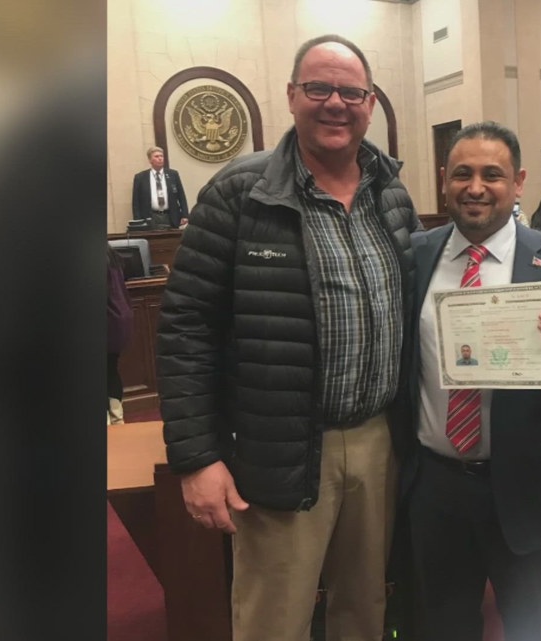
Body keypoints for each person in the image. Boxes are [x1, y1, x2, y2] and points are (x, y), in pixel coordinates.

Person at [155, 34, 419, 641]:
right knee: (275, 617)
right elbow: (186, 326)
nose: (336, 103)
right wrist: (197, 458)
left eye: (351, 91)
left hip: (380, 439)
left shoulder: (393, 193)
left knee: (365, 611)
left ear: (370, 103)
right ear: (292, 96)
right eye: (319, 88)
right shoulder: (238, 192)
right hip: (281, 446)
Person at [405, 121, 541, 641]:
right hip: (435, 490)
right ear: (443, 180)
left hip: (528, 493)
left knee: (528, 627)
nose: (475, 187)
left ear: (518, 182)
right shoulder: (413, 256)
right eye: (462, 173)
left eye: (492, 174)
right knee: (444, 625)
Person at [107, 244, 133, 425]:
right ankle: (117, 419)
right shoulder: (109, 252)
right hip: (119, 319)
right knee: (110, 371)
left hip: (107, 319)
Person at [131, 146, 189, 228]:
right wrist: (138, 221)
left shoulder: (173, 174)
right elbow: (136, 202)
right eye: (156, 156)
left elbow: (181, 196)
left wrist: (185, 215)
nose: (160, 158)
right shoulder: (140, 177)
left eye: (161, 156)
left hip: (170, 216)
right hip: (150, 217)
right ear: (150, 160)